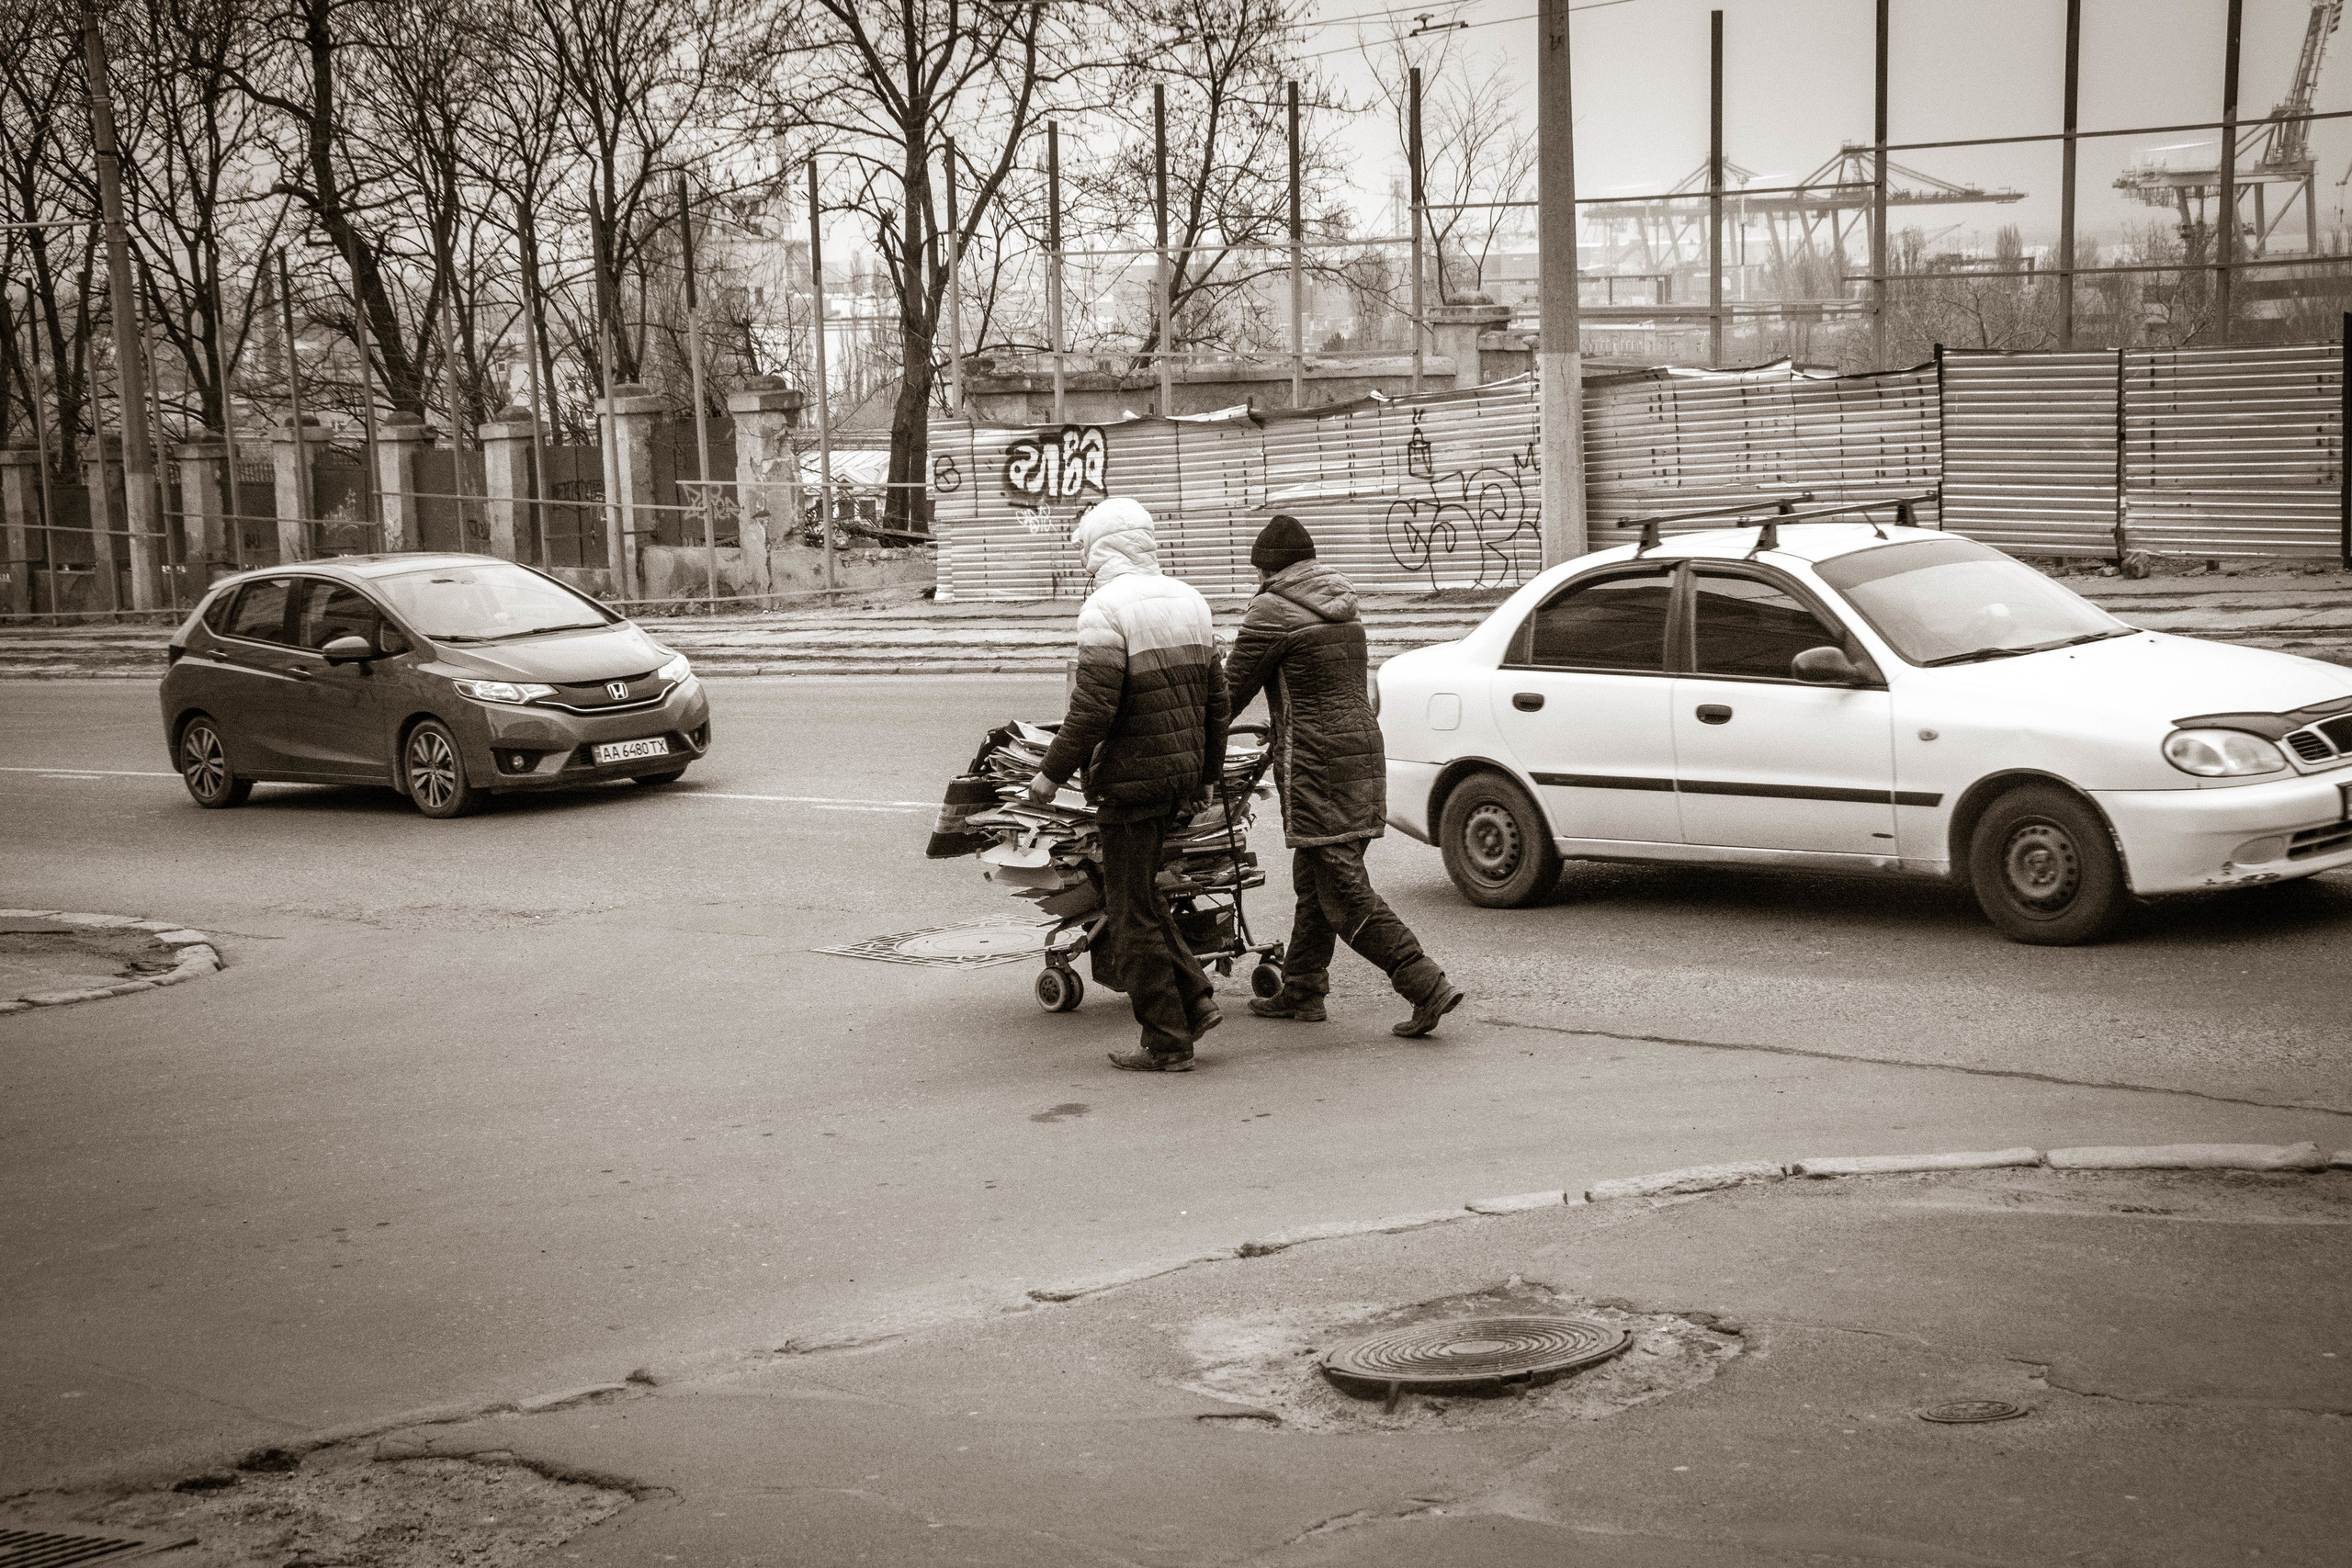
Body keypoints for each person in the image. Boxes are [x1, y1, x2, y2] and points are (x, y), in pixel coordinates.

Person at [1223, 514, 1463, 1037]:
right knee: (1315, 880)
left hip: (1317, 765)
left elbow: (1228, 694)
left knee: (1342, 891)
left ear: (1268, 568)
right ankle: (1304, 989)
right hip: (1361, 754)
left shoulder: (1272, 609)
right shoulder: (1341, 604)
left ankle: (1424, 983)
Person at [1024, 497, 1230, 1072]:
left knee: (1129, 911)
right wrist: (1209, 775)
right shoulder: (1191, 601)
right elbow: (1218, 702)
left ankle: (1167, 1040)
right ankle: (1196, 1000)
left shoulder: (1105, 608)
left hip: (1130, 785)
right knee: (1143, 897)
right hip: (1180, 778)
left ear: (1098, 547)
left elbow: (1091, 711)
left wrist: (1049, 774)